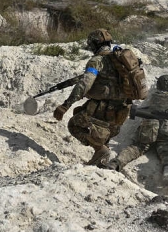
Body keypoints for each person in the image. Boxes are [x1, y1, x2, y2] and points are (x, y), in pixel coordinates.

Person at [53, 29, 134, 167]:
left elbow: (85, 84)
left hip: (102, 111)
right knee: (83, 112)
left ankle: (100, 150)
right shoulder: (120, 61)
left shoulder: (97, 61)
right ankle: (103, 157)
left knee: (74, 124)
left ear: (95, 44)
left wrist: (65, 105)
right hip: (120, 114)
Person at [105, 74, 168, 193]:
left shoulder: (155, 95)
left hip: (149, 127)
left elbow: (145, 106)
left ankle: (116, 163)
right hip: (166, 129)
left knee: (137, 148)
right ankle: (167, 172)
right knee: (167, 152)